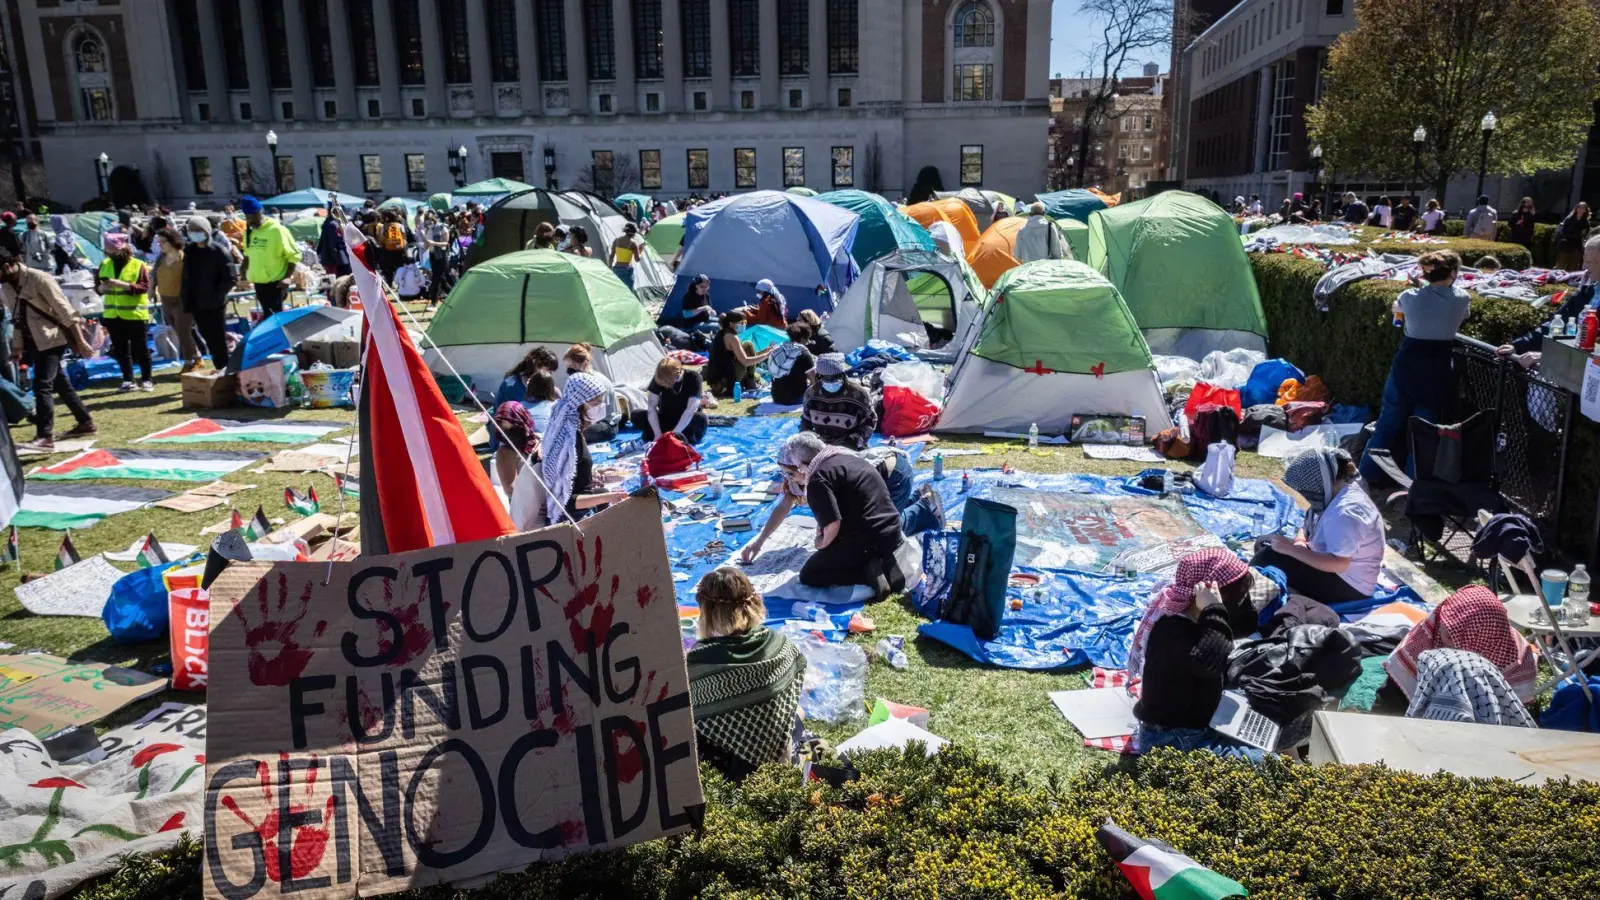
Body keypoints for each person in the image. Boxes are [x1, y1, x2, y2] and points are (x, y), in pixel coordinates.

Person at [1128, 549, 1267, 762]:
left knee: (1271, 727)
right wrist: (1214, 609)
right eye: (1236, 598)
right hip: (1172, 739)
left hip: (1197, 725)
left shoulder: (1200, 617)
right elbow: (1210, 662)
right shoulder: (1171, 629)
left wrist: (1226, 603)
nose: (1237, 604)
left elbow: (1247, 624)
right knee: (1269, 763)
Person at [1359, 250, 1470, 483]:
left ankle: (1366, 474)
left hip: (1406, 366)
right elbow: (1462, 315)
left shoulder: (1408, 297)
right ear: (1452, 273)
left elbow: (1398, 313)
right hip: (1437, 370)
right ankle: (1414, 485)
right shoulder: (1461, 298)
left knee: (1387, 423)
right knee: (1424, 431)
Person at [686, 566, 807, 779]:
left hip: (740, 773)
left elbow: (692, 715)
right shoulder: (779, 643)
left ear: (708, 611)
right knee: (798, 712)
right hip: (783, 754)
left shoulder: (700, 661)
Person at [771, 431, 907, 594]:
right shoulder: (852, 459)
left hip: (867, 540)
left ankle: (870, 571)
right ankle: (882, 558)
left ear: (803, 464)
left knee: (810, 574)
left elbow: (832, 524)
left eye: (797, 468)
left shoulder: (818, 479)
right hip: (893, 532)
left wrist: (821, 544)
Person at [1373, 585, 1537, 717]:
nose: (1443, 632)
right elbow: (1390, 699)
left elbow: (1510, 715)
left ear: (1480, 643)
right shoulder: (1428, 634)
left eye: (1455, 638)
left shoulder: (1518, 659)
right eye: (1447, 628)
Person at [1254, 448, 1385, 603]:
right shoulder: (1335, 492)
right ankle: (1291, 588)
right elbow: (1306, 526)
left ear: (1319, 481)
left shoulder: (1346, 512)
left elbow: (1339, 563)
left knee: (1267, 557)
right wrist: (1300, 542)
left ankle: (1288, 594)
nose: (1305, 494)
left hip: (1349, 584)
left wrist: (1292, 550)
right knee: (1265, 542)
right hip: (1328, 561)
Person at [0, 249, 96, 451]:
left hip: (53, 338)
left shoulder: (40, 279)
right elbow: (16, 319)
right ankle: (85, 421)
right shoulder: (7, 285)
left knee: (42, 385)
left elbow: (66, 312)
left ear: (7, 265)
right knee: (60, 383)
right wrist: (17, 347)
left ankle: (45, 436)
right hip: (33, 341)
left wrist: (80, 341)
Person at [540, 371, 628, 523]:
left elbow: (573, 474)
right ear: (581, 403)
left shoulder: (570, 431)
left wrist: (592, 474)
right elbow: (566, 502)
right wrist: (610, 497)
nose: (602, 407)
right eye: (597, 403)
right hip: (572, 520)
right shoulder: (568, 441)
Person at [96, 232, 154, 391]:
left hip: (134, 314)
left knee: (141, 349)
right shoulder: (105, 264)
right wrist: (101, 288)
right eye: (108, 251)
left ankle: (147, 379)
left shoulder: (138, 264)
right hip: (113, 315)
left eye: (113, 251)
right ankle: (128, 379)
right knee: (121, 350)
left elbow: (144, 287)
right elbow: (97, 287)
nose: (110, 254)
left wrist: (124, 285)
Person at [180, 215, 236, 371]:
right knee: (207, 338)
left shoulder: (219, 251)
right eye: (191, 230)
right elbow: (186, 278)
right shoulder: (190, 251)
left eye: (198, 230)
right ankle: (220, 367)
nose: (194, 233)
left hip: (215, 304)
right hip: (197, 303)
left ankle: (225, 368)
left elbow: (230, 278)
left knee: (217, 338)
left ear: (206, 231)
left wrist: (215, 298)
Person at [800, 353, 875, 450]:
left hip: (850, 446)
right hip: (820, 446)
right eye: (825, 377)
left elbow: (869, 421)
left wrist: (854, 440)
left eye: (835, 377)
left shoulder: (859, 394)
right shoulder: (811, 394)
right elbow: (806, 421)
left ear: (842, 375)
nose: (830, 381)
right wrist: (807, 440)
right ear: (819, 376)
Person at [153, 227, 202, 373]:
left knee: (183, 332)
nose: (159, 245)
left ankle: (188, 363)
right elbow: (154, 274)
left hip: (182, 300)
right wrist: (151, 289)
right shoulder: (160, 258)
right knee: (178, 330)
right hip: (165, 299)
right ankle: (197, 356)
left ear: (173, 242)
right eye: (158, 242)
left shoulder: (185, 258)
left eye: (162, 242)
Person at [240, 195, 299, 318]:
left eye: (253, 216)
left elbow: (293, 256)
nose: (250, 220)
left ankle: (280, 337)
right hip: (259, 282)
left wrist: (287, 277)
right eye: (247, 217)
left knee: (275, 316)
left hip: (276, 282)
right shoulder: (250, 232)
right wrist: (243, 268)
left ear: (261, 212)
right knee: (268, 315)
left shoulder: (277, 230)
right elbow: (247, 253)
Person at [634, 356, 708, 444]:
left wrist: (674, 434)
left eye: (667, 383)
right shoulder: (660, 378)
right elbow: (651, 407)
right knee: (637, 415)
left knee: (701, 418)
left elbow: (691, 409)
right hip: (666, 417)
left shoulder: (694, 378)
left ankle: (679, 436)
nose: (665, 385)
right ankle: (662, 434)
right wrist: (657, 434)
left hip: (686, 420)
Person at [561, 343, 622, 441]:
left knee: (574, 433)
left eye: (572, 365)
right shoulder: (578, 380)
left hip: (605, 424)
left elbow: (597, 416)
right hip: (587, 419)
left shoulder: (598, 382)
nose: (569, 369)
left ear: (584, 364)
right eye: (568, 366)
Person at [704, 310, 771, 397]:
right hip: (723, 382)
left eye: (745, 322)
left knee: (748, 344)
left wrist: (765, 351)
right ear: (731, 324)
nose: (744, 324)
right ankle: (750, 382)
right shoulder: (732, 338)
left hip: (720, 378)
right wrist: (767, 355)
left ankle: (750, 381)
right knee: (747, 358)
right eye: (742, 322)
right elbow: (745, 361)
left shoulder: (724, 333)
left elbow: (746, 356)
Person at [492, 400, 542, 501]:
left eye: (512, 428)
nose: (506, 433)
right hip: (527, 509)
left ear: (523, 421)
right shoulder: (505, 453)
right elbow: (511, 490)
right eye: (502, 428)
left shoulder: (538, 440)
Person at [767, 322, 815, 405]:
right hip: (796, 397)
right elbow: (813, 380)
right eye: (807, 339)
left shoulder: (777, 350)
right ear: (803, 339)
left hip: (776, 396)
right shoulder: (803, 353)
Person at [1555, 202, 1591, 272]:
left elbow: (1585, 234)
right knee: (1561, 265)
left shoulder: (1585, 222)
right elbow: (1563, 231)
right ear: (1576, 208)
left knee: (1574, 266)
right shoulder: (1569, 219)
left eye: (1583, 208)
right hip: (1566, 244)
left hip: (1577, 245)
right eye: (1579, 207)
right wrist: (1573, 235)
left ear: (1585, 210)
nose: (1580, 209)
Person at [608, 222, 644, 289]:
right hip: (627, 270)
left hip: (616, 269)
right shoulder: (633, 243)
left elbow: (611, 256)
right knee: (629, 292)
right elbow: (637, 259)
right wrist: (640, 251)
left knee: (618, 291)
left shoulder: (616, 240)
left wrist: (610, 267)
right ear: (633, 232)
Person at [318, 207, 351, 278]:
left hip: (332, 258)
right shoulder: (333, 225)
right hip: (337, 260)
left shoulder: (328, 223)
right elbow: (334, 244)